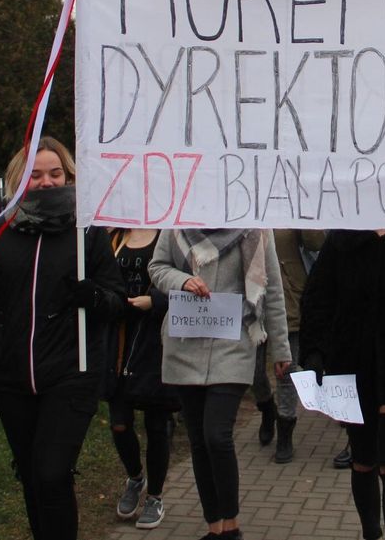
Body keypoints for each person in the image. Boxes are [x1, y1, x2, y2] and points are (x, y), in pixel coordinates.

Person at [0, 137, 125, 540]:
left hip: (71, 376)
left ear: (69, 176)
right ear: (19, 179)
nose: (46, 182)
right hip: (14, 380)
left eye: (55, 173)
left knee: (51, 472)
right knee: (31, 476)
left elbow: (117, 302)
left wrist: (92, 295)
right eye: (36, 174)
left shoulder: (87, 232)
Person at [148, 227, 292, 540]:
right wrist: (182, 280)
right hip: (185, 342)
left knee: (217, 435)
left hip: (233, 342)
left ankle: (232, 527)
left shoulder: (255, 228)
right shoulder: (177, 222)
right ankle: (215, 528)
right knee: (199, 439)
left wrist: (281, 347)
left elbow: (272, 288)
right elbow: (157, 267)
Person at [300, 228, 385, 540]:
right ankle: (371, 532)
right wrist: (315, 352)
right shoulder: (344, 237)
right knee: (363, 460)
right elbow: (318, 296)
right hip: (350, 363)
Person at [103, 228, 182, 529]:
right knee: (119, 422)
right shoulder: (114, 235)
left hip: (155, 342)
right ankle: (136, 477)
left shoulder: (170, 235)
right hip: (120, 341)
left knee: (156, 425)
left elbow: (185, 278)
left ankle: (156, 496)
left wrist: (156, 301)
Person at [267, 228, 326, 463]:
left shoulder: (288, 206)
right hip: (248, 300)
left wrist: (306, 217)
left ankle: (285, 426)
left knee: (286, 371)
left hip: (287, 298)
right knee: (254, 376)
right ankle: (264, 406)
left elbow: (315, 243)